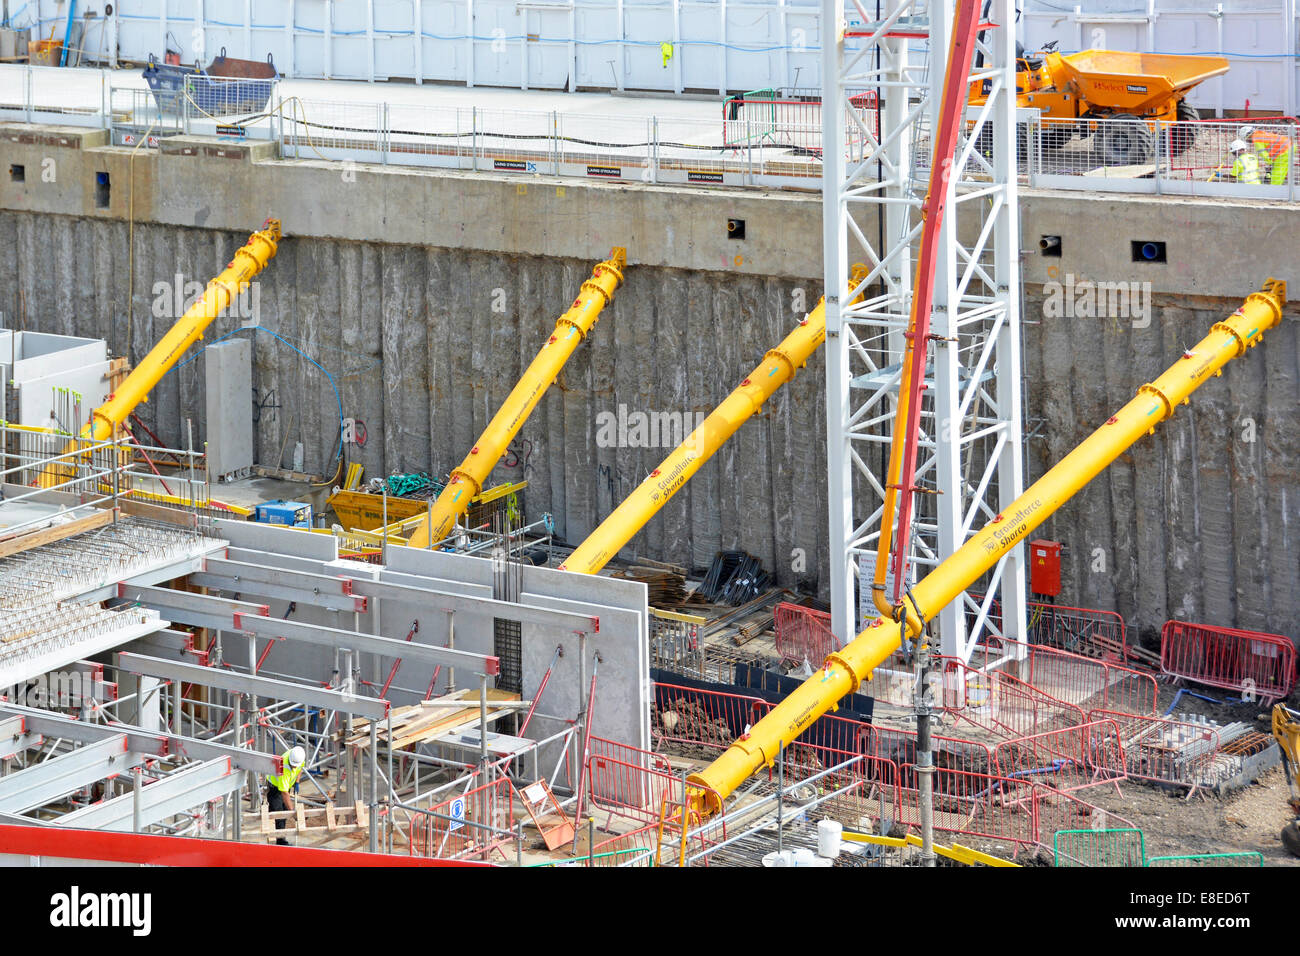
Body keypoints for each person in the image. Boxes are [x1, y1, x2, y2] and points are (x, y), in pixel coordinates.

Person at [265, 745, 306, 845]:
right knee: (279, 813)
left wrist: (297, 781)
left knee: (284, 810)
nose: (294, 767)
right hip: (275, 787)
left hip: (285, 786)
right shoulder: (284, 767)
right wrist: (292, 812)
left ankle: (281, 837)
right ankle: (280, 841)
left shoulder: (298, 757)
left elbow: (300, 768)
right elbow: (284, 792)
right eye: (293, 765)